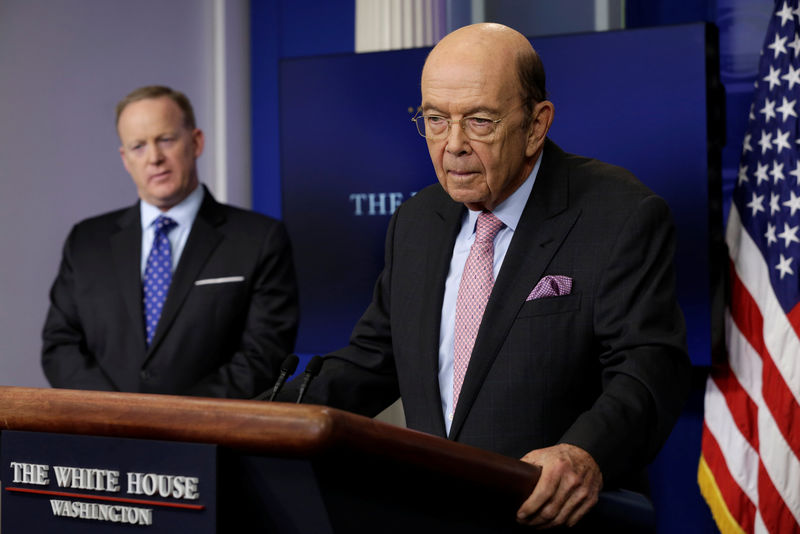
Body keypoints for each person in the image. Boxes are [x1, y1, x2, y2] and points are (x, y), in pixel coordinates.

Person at [278, 23, 691, 528]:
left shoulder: (618, 213)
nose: (452, 145)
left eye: (478, 121)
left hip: (546, 516)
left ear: (536, 125)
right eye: (435, 119)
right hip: (429, 514)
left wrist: (585, 453)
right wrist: (254, 420)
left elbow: (649, 367)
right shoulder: (417, 221)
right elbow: (370, 362)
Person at [42, 85, 299, 398]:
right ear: (125, 158)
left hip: (208, 439)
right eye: (138, 146)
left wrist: (172, 420)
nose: (154, 158)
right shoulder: (86, 241)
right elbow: (61, 344)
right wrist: (114, 415)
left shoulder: (259, 239)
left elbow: (263, 356)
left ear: (196, 141)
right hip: (104, 437)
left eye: (166, 139)